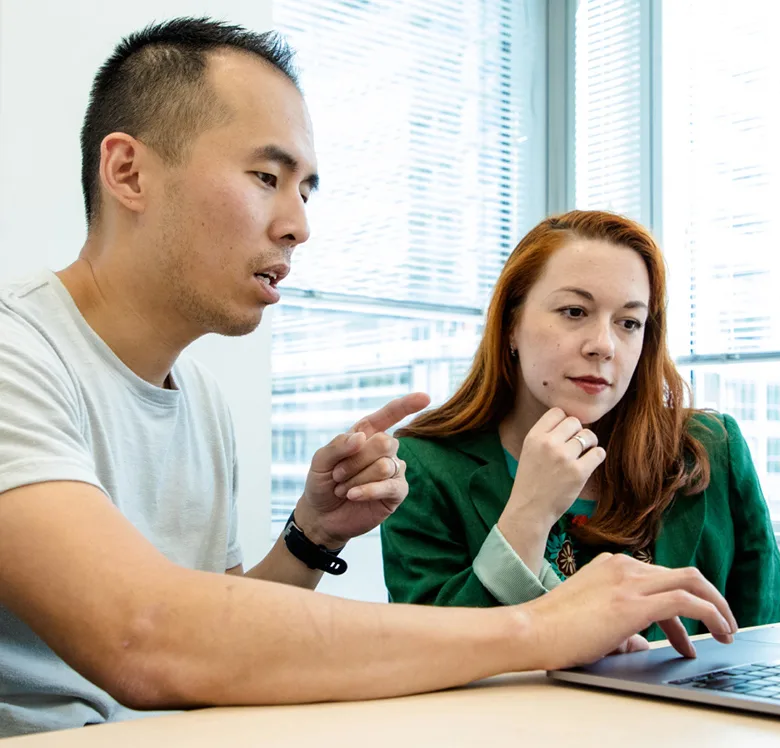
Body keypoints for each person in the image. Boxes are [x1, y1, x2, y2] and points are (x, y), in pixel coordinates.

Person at [0, 19, 738, 738]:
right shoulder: (16, 353)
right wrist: (541, 625)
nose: (297, 225)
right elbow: (145, 637)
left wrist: (312, 536)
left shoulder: (199, 402)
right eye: (266, 177)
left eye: (307, 189)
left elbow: (221, 635)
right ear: (128, 171)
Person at [381, 210, 780, 642]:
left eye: (629, 323)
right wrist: (530, 512)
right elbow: (430, 657)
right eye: (575, 311)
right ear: (511, 326)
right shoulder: (426, 466)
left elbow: (772, 637)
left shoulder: (711, 447)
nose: (603, 345)